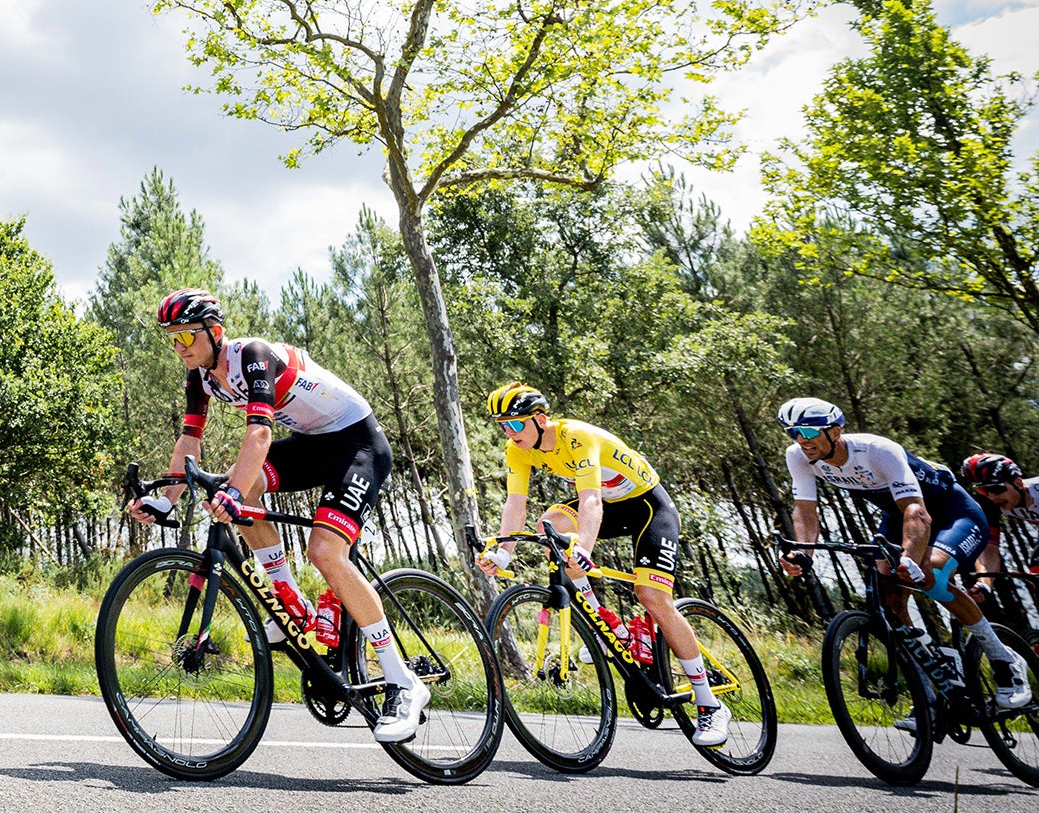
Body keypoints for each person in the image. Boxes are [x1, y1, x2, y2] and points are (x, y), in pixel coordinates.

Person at [121, 289, 426, 742]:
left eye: (188, 335)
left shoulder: (253, 356)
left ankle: (403, 682)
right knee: (242, 494)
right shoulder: (200, 379)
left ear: (214, 331)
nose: (181, 346)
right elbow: (189, 444)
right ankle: (291, 600)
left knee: (324, 551)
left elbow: (259, 435)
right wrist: (165, 497)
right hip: (313, 445)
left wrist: (231, 492)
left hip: (356, 444)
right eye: (173, 338)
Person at [475, 383, 729, 748]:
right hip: (611, 508)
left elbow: (591, 500)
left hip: (648, 508)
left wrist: (586, 550)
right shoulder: (518, 452)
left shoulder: (575, 437)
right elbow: (516, 503)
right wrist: (503, 552)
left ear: (540, 419)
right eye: (503, 427)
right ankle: (602, 625)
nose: (509, 434)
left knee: (652, 596)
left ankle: (709, 704)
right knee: (550, 527)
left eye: (515, 425)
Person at [777, 399, 1029, 710]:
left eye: (807, 431)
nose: (800, 439)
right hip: (898, 515)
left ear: (835, 431)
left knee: (931, 575)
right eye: (791, 432)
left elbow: (916, 511)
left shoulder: (877, 450)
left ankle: (1005, 660)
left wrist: (910, 557)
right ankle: (933, 688)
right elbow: (805, 511)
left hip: (952, 512)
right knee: (890, 599)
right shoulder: (799, 456)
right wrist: (804, 554)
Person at [961, 453, 1039, 605]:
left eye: (996, 489)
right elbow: (989, 550)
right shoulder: (991, 506)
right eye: (983, 491)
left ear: (1018, 482)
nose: (991, 496)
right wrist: (984, 584)